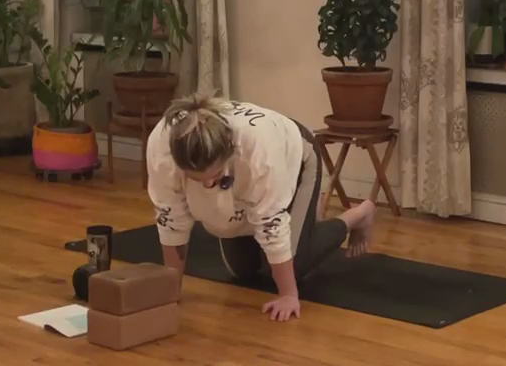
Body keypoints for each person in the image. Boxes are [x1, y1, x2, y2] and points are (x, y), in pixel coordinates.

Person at [146, 93, 375, 321]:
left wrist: (288, 295)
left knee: (294, 264)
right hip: (243, 169)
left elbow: (271, 225)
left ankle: (358, 215)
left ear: (227, 152)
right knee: (241, 270)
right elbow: (171, 221)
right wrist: (171, 292)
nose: (207, 186)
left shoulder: (258, 153)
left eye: (215, 176)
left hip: (295, 152)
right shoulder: (161, 151)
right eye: (196, 179)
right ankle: (303, 232)